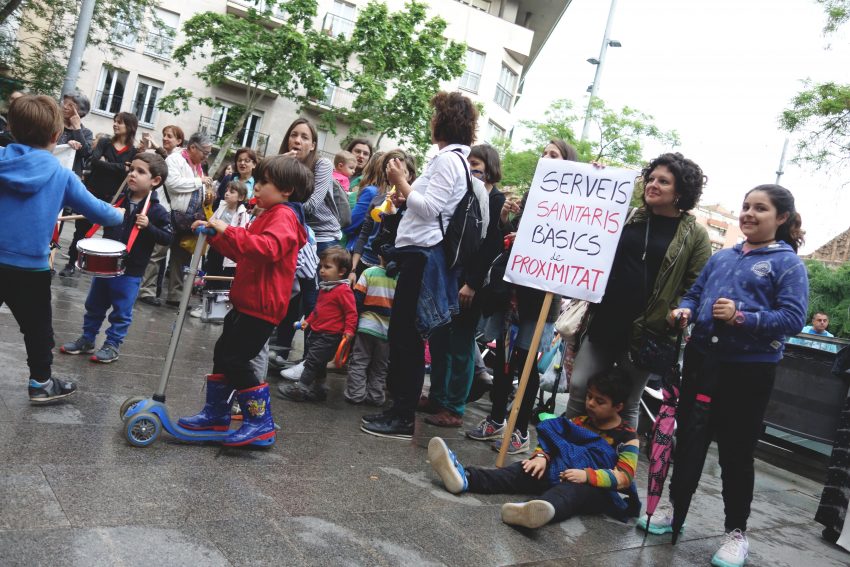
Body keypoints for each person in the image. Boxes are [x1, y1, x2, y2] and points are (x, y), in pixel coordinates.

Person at [654, 184, 808, 567]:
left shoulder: (788, 263)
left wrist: (742, 316)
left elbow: (793, 319)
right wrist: (684, 310)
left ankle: (736, 532)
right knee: (688, 439)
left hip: (749, 372)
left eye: (761, 209)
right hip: (702, 362)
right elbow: (694, 293)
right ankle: (673, 509)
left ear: (782, 218)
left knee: (736, 453)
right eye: (746, 206)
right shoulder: (723, 257)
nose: (749, 214)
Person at [564, 152, 712, 430]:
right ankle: (561, 452)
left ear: (681, 191)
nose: (653, 184)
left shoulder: (695, 234)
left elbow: (699, 284)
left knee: (628, 401)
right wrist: (596, 178)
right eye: (651, 178)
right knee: (581, 387)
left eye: (664, 181)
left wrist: (678, 310)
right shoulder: (628, 216)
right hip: (606, 318)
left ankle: (619, 467)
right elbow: (586, 222)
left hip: (647, 332)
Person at [360, 91, 478, 439]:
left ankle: (401, 416)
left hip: (422, 257)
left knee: (406, 336)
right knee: (404, 334)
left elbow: (429, 209)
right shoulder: (454, 161)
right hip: (420, 254)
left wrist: (400, 182)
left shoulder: (447, 161)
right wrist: (404, 197)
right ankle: (398, 411)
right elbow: (428, 207)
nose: (431, 121)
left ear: (444, 120)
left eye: (435, 114)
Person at [177, 155, 310, 446]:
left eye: (263, 183)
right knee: (223, 354)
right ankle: (216, 414)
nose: (257, 187)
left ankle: (259, 421)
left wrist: (230, 229)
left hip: (262, 308)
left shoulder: (285, 216)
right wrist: (216, 236)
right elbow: (243, 251)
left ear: (286, 190)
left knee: (236, 359)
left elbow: (267, 248)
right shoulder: (268, 215)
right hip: (246, 302)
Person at [0, 94, 123, 402]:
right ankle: (41, 384)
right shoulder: (61, 175)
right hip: (30, 269)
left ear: (13, 129)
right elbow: (100, 212)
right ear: (57, 136)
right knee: (38, 329)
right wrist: (123, 213)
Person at [465, 140, 575, 454]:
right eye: (544, 154)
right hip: (511, 293)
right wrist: (506, 220)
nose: (545, 158)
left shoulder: (576, 203)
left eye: (553, 155)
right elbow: (515, 237)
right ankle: (497, 418)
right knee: (502, 362)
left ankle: (519, 432)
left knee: (525, 365)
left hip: (540, 302)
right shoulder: (533, 195)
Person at [429, 368, 640, 528]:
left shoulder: (627, 438)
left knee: (572, 491)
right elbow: (552, 440)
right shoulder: (578, 422)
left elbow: (624, 477)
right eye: (589, 396)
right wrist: (541, 457)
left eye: (599, 401)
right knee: (521, 470)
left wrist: (587, 476)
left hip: (593, 489)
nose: (591, 403)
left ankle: (535, 510)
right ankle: (465, 478)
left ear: (618, 406)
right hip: (558, 470)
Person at [423, 143, 506, 427]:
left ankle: (454, 407)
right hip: (449, 278)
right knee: (439, 340)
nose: (472, 172)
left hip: (472, 286)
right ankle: (437, 396)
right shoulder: (463, 194)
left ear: (491, 172)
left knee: (460, 345)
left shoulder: (497, 201)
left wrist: (471, 283)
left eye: (478, 169)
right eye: (469, 166)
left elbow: (489, 247)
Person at [60, 153, 173, 363]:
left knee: (121, 311)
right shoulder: (118, 200)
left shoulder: (157, 211)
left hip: (131, 271)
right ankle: (87, 338)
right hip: (106, 265)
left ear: (155, 181)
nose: (133, 174)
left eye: (141, 172)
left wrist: (149, 227)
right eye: (132, 170)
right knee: (94, 304)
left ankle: (112, 345)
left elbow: (168, 238)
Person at [59, 111, 138, 278]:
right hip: (92, 194)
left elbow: (128, 172)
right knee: (80, 232)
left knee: (110, 236)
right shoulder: (104, 142)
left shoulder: (133, 151)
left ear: (130, 127)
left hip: (114, 199)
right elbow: (94, 162)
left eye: (120, 122)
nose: (115, 124)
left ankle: (105, 270)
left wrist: (108, 164)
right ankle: (71, 264)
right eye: (115, 121)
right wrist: (120, 167)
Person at [141, 132, 214, 307]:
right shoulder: (175, 159)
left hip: (187, 221)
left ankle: (175, 296)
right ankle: (147, 291)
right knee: (157, 255)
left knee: (181, 259)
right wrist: (200, 182)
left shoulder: (198, 166)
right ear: (193, 147)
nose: (207, 156)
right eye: (205, 152)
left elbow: (196, 187)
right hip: (169, 215)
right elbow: (173, 184)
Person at [279, 247, 357, 402]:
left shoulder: (343, 290)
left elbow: (351, 313)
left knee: (312, 361)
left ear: (341, 271)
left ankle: (300, 388)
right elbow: (318, 310)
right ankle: (319, 389)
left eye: (327, 267)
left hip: (329, 336)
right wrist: (308, 321)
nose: (322, 270)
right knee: (319, 364)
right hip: (317, 332)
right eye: (321, 266)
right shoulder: (325, 288)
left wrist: (349, 331)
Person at [279, 118, 339, 317]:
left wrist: (283, 213)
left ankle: (312, 348)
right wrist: (282, 166)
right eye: (294, 135)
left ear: (313, 145)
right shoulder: (282, 164)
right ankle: (281, 345)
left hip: (322, 236)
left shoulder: (322, 164)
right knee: (290, 293)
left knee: (312, 298)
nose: (297, 140)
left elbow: (312, 205)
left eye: (304, 137)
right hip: (296, 234)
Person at [137, 125, 185, 306]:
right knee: (157, 253)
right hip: (163, 209)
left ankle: (150, 290)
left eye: (170, 136)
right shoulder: (170, 158)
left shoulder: (178, 159)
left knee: (159, 253)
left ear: (179, 141)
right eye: (164, 135)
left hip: (169, 210)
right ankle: (147, 290)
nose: (166, 138)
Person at [188, 180, 249, 319]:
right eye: (226, 190)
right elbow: (213, 222)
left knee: (224, 280)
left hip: (229, 254)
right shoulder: (222, 206)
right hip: (216, 248)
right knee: (211, 274)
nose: (227, 194)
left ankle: (220, 309)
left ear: (241, 197)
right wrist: (202, 222)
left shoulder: (242, 213)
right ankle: (206, 306)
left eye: (231, 192)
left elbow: (239, 232)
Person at [345, 247, 398, 405]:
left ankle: (355, 394)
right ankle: (375, 396)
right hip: (387, 331)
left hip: (366, 327)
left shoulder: (368, 273)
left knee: (359, 362)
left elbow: (358, 301)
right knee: (380, 366)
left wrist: (353, 325)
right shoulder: (400, 278)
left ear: (379, 256)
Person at [347, 151, 415, 269]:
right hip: (365, 261)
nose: (396, 175)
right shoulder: (377, 200)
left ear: (410, 175)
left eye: (402, 172)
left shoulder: (413, 206)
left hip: (390, 268)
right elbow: (364, 235)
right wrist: (353, 269)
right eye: (392, 170)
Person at [57, 91, 93, 177]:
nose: (65, 107)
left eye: (70, 105)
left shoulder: (86, 132)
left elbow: (85, 153)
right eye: (64, 103)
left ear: (80, 111)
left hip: (70, 176)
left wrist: (77, 128)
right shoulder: (54, 124)